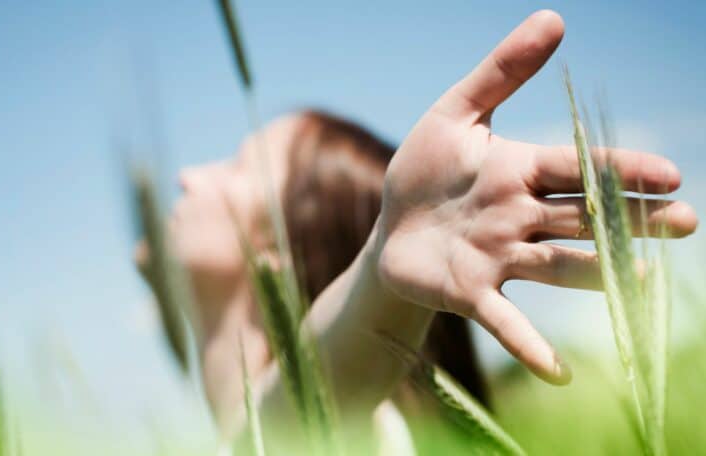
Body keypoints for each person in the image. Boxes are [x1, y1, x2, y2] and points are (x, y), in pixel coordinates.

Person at [141, 9, 698, 451]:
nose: (189, 177)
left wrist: (382, 269)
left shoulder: (350, 432)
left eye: (237, 166)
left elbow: (301, 417)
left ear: (276, 249)